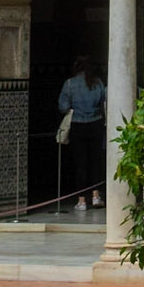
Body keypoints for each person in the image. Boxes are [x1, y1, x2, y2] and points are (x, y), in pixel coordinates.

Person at [56, 56, 106, 213]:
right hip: (96, 124)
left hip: (77, 125)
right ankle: (96, 196)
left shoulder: (70, 84)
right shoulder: (98, 83)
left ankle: (82, 200)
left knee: (81, 165)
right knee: (96, 162)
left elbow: (63, 106)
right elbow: (104, 102)